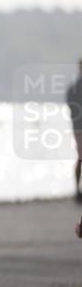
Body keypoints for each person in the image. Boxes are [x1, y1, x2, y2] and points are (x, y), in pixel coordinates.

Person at [67, 59, 82, 203]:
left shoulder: (73, 87)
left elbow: (71, 108)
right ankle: (77, 190)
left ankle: (77, 190)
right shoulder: (74, 88)